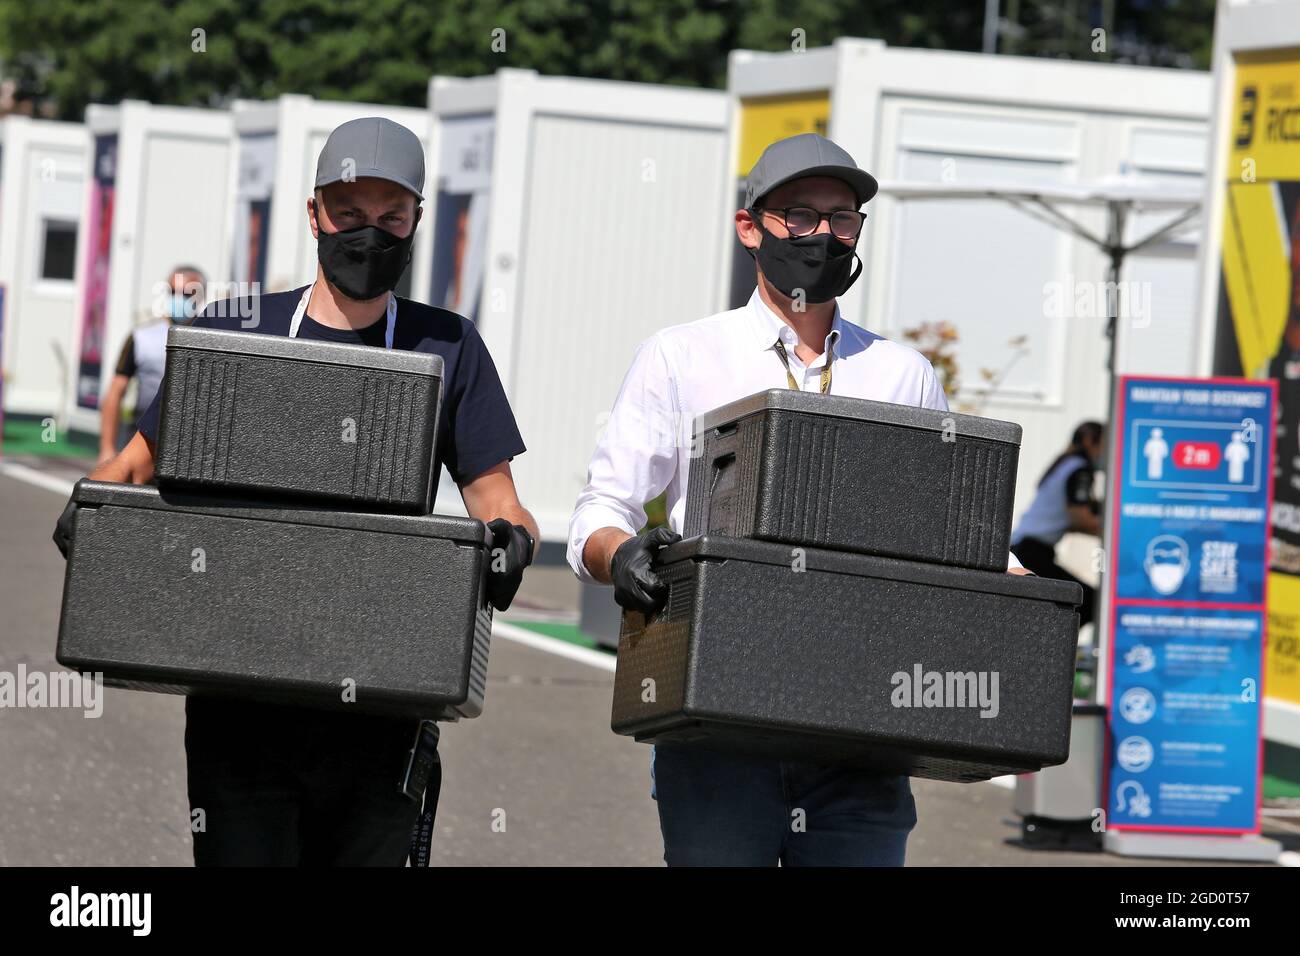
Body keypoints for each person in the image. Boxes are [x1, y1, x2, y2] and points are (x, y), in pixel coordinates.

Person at [54, 117, 538, 867]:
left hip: (384, 698)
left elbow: (496, 496)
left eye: (391, 218)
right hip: (239, 697)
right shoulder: (237, 333)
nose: (368, 235)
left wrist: (514, 539)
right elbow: (132, 466)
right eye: (349, 216)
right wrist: (90, 506)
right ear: (314, 213)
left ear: (415, 223)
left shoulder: (448, 345)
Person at [567, 133, 1030, 867]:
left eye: (842, 219)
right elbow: (603, 508)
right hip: (718, 716)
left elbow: (954, 533)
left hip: (863, 728)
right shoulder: (683, 355)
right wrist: (620, 555)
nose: (823, 236)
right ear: (750, 228)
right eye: (801, 216)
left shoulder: (902, 374)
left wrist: (1016, 598)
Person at [97, 265, 206, 465]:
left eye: (187, 293)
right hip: (141, 439)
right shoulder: (141, 337)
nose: (179, 298)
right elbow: (115, 392)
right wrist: (107, 448)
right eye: (174, 292)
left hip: (189, 447)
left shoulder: (210, 339)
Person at [1009, 421, 1104, 627]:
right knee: (1088, 601)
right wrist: (1118, 530)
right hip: (1032, 552)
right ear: (1090, 441)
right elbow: (1080, 518)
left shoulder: (1064, 464)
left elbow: (1068, 518)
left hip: (1024, 549)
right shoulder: (1080, 469)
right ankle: (1055, 651)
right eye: (1103, 446)